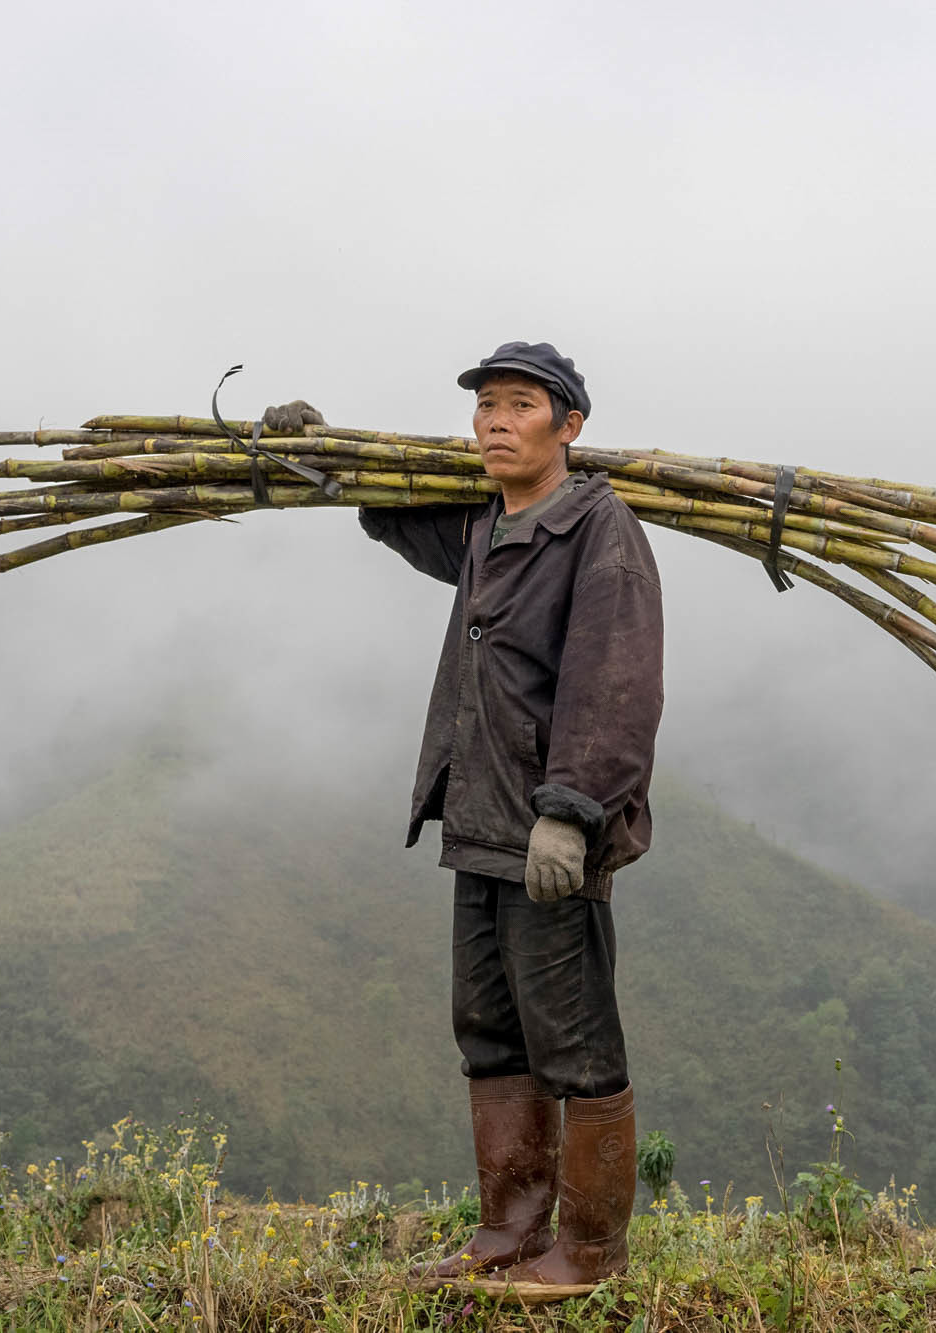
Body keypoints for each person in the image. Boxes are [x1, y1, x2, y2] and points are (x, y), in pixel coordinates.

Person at [265, 342, 664, 1299]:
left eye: (518, 404)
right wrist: (319, 457)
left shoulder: (599, 533)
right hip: (479, 818)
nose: (493, 420)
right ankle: (510, 1229)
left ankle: (593, 1250)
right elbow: (397, 519)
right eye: (485, 404)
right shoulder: (489, 527)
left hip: (546, 833)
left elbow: (616, 683)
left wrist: (570, 815)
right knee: (489, 1029)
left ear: (568, 426)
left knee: (572, 1038)